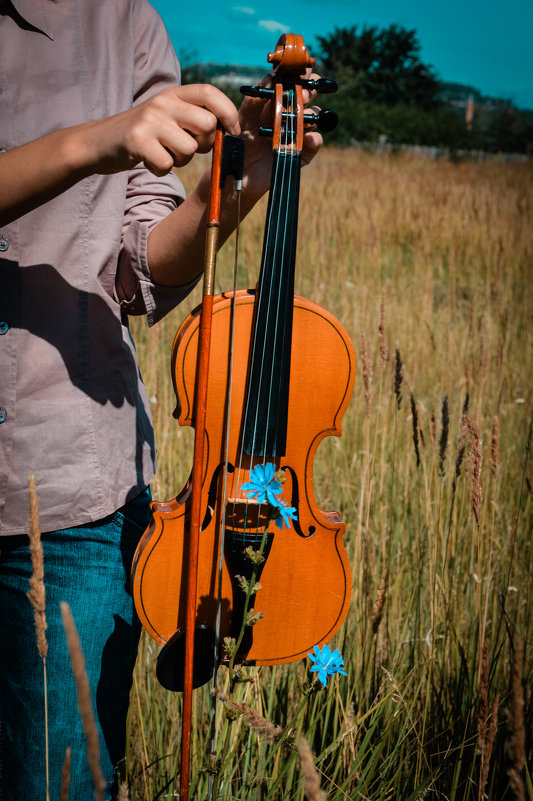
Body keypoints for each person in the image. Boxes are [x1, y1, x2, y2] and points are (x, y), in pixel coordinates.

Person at [0, 0, 322, 798]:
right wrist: (95, 140)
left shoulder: (124, 23)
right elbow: (108, 146)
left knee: (60, 784)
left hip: (68, 485)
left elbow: (138, 272)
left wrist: (232, 185)